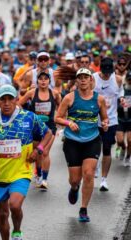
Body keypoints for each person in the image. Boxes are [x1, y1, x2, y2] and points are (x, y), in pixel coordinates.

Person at [0, 84, 52, 240]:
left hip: (21, 171)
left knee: (14, 205)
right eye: (3, 100)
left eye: (10, 99)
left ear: (16, 100)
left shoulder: (28, 117)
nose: (7, 103)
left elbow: (48, 133)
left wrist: (38, 150)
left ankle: (17, 230)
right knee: (2, 214)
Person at [55, 68, 108, 222]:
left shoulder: (99, 99)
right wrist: (68, 122)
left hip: (92, 140)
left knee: (89, 174)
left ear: (91, 80)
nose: (83, 80)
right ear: (76, 81)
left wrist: (105, 124)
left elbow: (104, 118)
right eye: (80, 78)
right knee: (74, 179)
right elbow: (57, 118)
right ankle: (74, 188)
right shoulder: (70, 98)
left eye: (86, 77)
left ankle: (83, 209)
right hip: (72, 142)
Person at [18, 71, 61, 189]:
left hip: (49, 127)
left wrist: (60, 118)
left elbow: (61, 107)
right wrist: (25, 115)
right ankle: (38, 174)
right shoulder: (32, 92)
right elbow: (19, 103)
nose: (43, 81)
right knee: (38, 152)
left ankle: (44, 179)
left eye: (45, 79)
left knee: (45, 152)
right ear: (37, 81)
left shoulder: (55, 94)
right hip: (35, 127)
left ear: (49, 81)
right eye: (40, 79)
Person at [93, 57, 123, 191]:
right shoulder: (93, 78)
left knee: (106, 148)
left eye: (109, 72)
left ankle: (104, 180)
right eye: (104, 72)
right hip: (94, 120)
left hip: (111, 120)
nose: (107, 75)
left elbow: (120, 93)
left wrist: (121, 99)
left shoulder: (117, 79)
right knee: (95, 148)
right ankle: (96, 165)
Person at [116, 71, 131, 166]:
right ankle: (123, 149)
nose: (130, 81)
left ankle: (128, 156)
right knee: (120, 141)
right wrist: (120, 105)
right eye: (129, 79)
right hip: (120, 118)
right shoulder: (121, 90)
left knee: (130, 140)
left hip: (130, 120)